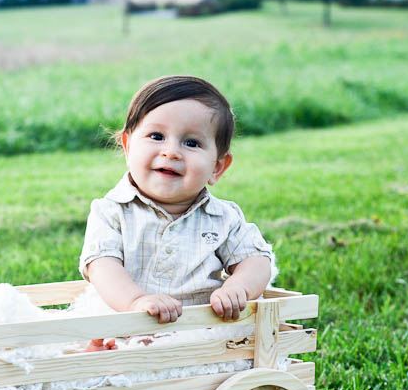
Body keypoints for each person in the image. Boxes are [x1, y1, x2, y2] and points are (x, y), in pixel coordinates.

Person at [79, 75, 276, 350]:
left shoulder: (223, 218)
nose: (171, 152)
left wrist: (237, 288)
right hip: (124, 327)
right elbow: (102, 267)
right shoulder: (111, 212)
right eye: (156, 136)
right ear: (127, 146)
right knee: (96, 351)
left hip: (197, 334)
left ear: (217, 167)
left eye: (192, 143)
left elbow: (257, 260)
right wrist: (135, 301)